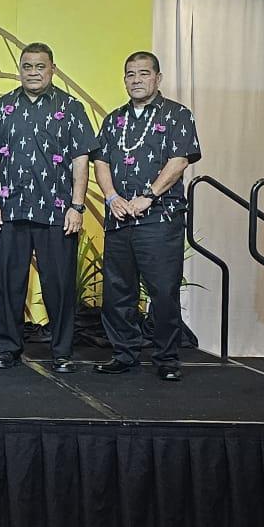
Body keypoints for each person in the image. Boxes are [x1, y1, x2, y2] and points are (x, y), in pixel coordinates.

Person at [0, 42, 98, 373]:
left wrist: (77, 206)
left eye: (40, 66)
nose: (33, 72)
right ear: (20, 69)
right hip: (11, 210)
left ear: (52, 69)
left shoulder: (71, 107)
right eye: (27, 66)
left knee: (59, 285)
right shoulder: (3, 107)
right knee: (9, 284)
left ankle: (62, 352)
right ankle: (7, 349)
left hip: (57, 213)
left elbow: (81, 159)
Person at [91, 51, 202, 381]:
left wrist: (149, 196)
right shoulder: (114, 119)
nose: (136, 80)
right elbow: (101, 161)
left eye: (143, 73)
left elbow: (179, 161)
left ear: (158, 78)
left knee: (163, 291)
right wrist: (112, 197)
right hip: (119, 218)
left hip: (159, 219)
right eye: (130, 74)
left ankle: (167, 357)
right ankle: (123, 353)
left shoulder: (177, 115)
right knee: (117, 291)